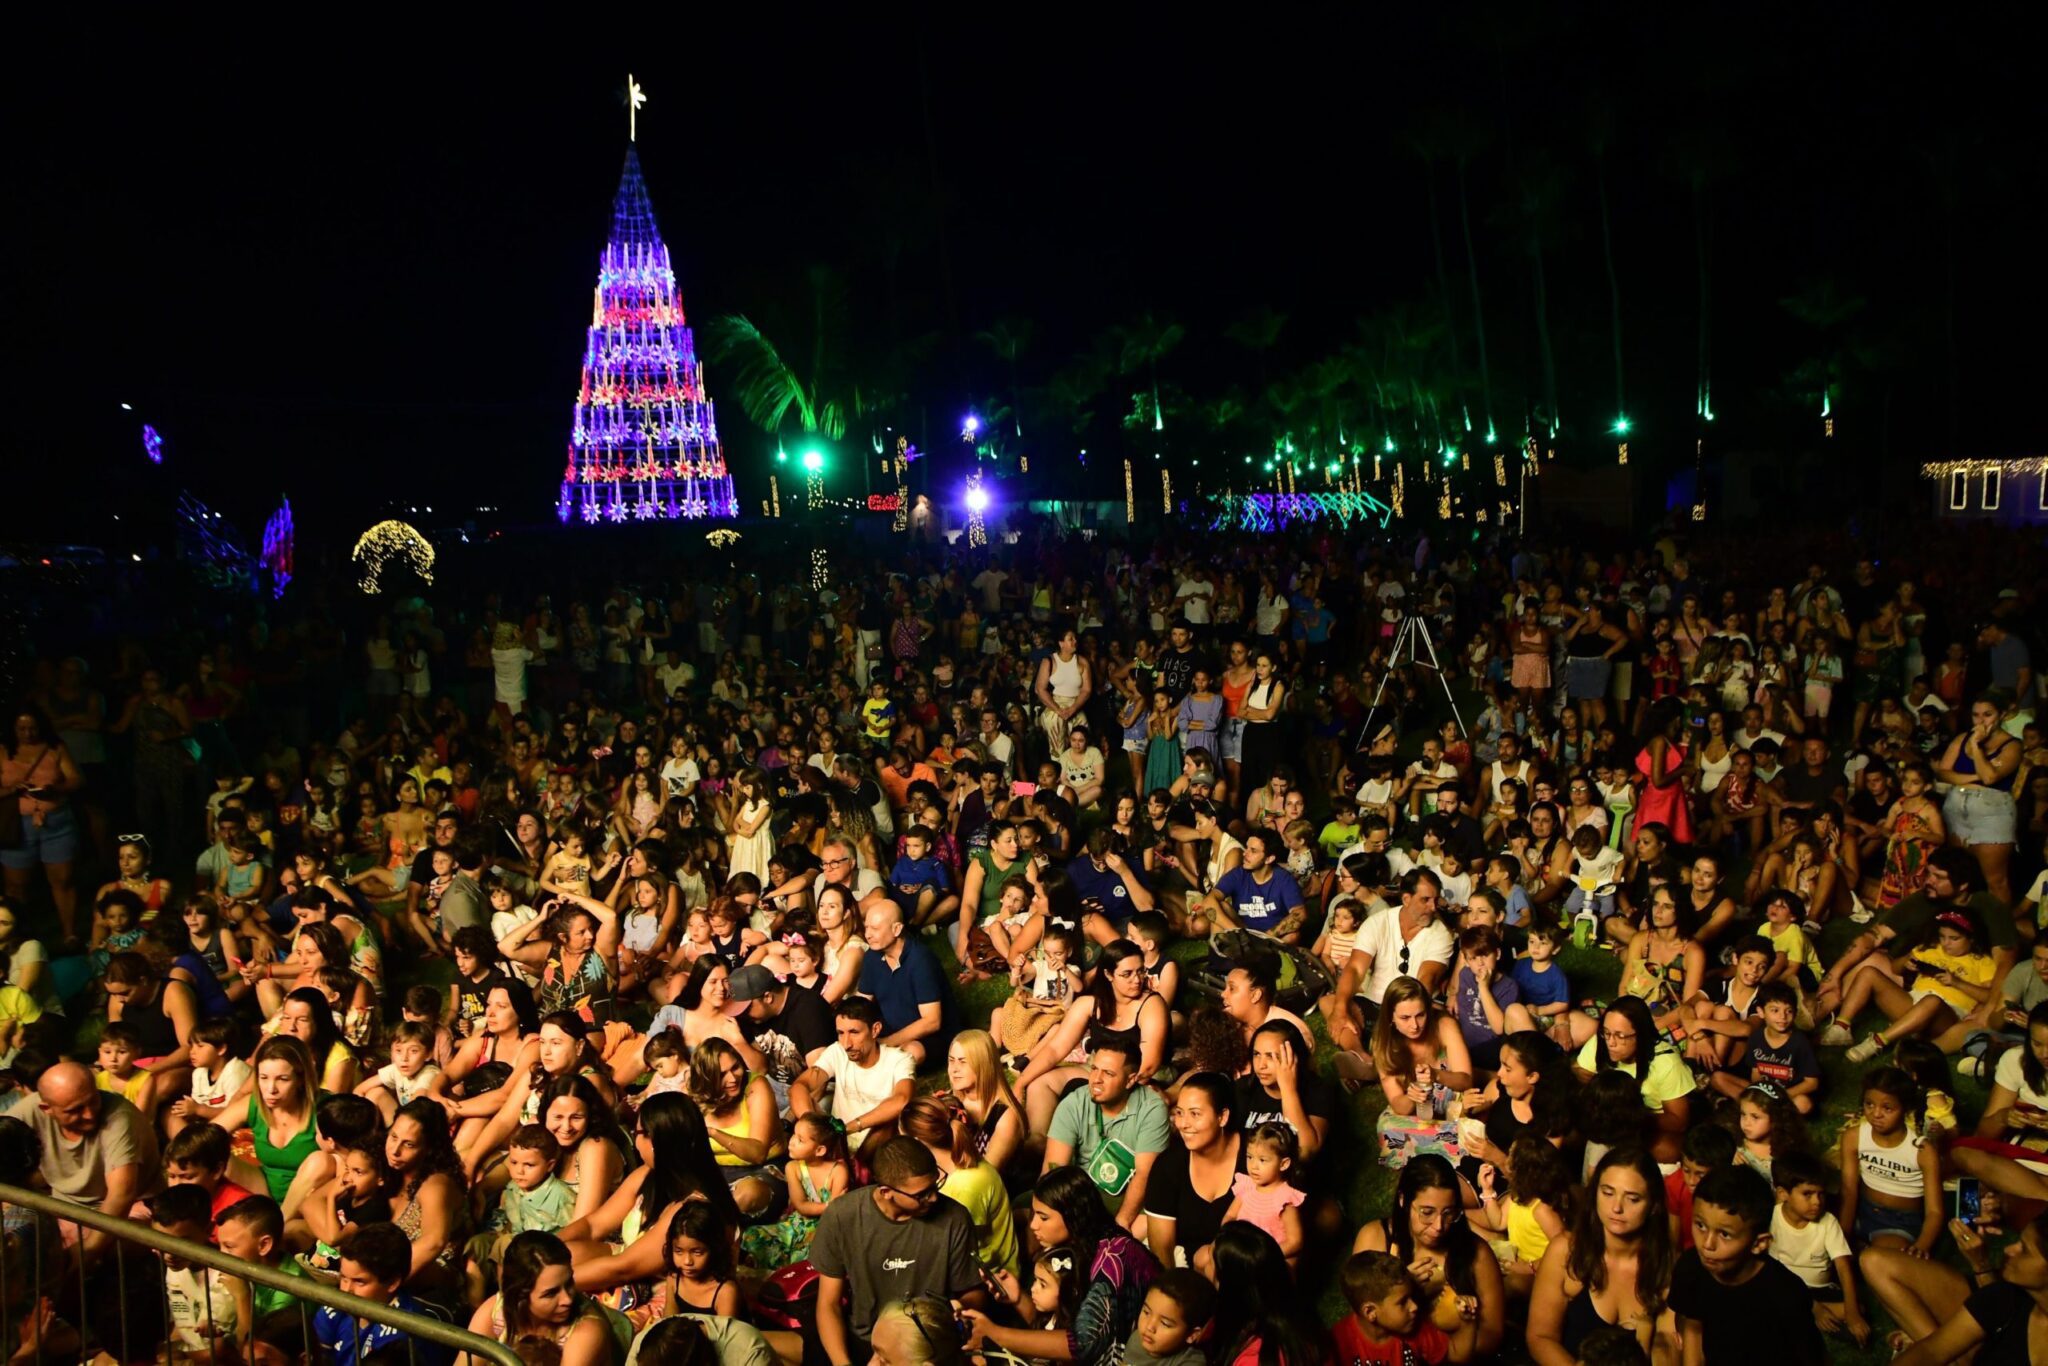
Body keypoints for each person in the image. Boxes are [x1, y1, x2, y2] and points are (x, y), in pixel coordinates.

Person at [960, 1164, 1157, 1366]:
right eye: (1034, 1215)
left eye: (1043, 1217)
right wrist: (1018, 1298)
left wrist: (995, 1334)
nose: (1033, 1225)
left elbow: (1082, 1344)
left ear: (1073, 1214)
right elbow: (1054, 1330)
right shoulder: (1076, 1247)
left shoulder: (1112, 1257)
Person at [812, 1136, 981, 1366]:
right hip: (866, 1339)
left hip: (923, 1347)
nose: (933, 1198)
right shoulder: (843, 1216)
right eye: (921, 1194)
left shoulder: (955, 1218)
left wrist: (962, 1310)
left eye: (935, 1185)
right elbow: (828, 1304)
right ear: (885, 1192)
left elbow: (971, 1292)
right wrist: (842, 1362)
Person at [1526, 1147, 1679, 1366]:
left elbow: (1668, 1343)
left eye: (1633, 1199)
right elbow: (1540, 1337)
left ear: (1653, 1205)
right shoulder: (1565, 1251)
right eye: (1607, 1193)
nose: (1616, 1207)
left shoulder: (1667, 1264)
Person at [1351, 1154, 1506, 1359]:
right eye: (1427, 1212)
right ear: (1403, 1200)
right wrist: (1403, 1289)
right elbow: (1361, 1325)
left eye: (1449, 1213)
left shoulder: (1476, 1254)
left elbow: (1491, 1336)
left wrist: (1448, 1342)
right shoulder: (1375, 1239)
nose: (1439, 1226)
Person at [1670, 1165, 1826, 1366]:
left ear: (1759, 1243)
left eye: (1724, 1234)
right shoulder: (1690, 1268)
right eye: (1700, 1225)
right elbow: (1693, 1326)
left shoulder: (1786, 1294)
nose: (1707, 1244)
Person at [1323, 868, 1456, 1067]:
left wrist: (1402, 1017)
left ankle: (1379, 1058)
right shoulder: (1378, 922)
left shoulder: (1441, 934)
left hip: (1413, 1008)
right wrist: (1341, 1008)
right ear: (1406, 899)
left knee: (1437, 1022)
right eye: (1425, 900)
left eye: (1436, 900)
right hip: (1375, 1002)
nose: (1433, 907)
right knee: (1330, 1002)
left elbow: (1426, 979)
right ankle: (1360, 1056)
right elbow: (1355, 969)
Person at [1043, 1038, 1171, 1229]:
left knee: (1151, 1220)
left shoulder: (1151, 1108)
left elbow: (1145, 1174)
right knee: (1031, 1210)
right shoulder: (1073, 1104)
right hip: (1081, 1192)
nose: (1096, 1079)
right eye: (1094, 1069)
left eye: (1108, 1073)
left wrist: (1121, 1224)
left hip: (1127, 1194)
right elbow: (1053, 1169)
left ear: (1130, 1080)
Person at [464, 1230, 632, 1366]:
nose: (567, 1299)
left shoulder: (586, 1334)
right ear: (520, 1296)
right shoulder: (496, 1310)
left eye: (569, 1283)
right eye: (551, 1293)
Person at [312, 1222, 455, 1366]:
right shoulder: (334, 1309)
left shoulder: (403, 1337)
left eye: (359, 1281)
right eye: (343, 1278)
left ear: (392, 1282)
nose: (347, 1290)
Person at [789, 996, 915, 1158]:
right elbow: (799, 1086)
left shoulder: (899, 1060)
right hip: (837, 1147)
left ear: (875, 1030)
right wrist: (814, 1127)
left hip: (879, 1150)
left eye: (854, 1032)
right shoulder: (837, 1051)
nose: (846, 1043)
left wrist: (848, 1128)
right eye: (840, 1033)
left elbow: (901, 1100)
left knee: (885, 1128)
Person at [1, 705, 86, 944]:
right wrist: (10, 789)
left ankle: (69, 933)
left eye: (32, 728)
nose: (27, 734)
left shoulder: (54, 748)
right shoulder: (3, 751)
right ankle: (16, 935)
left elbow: (76, 779)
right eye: (22, 729)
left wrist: (55, 789)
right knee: (16, 886)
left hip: (56, 822)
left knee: (63, 880)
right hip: (17, 826)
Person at [1334, 1249, 1482, 1365]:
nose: (1414, 1306)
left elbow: (1456, 1355)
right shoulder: (1338, 1342)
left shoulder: (1413, 1328)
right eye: (1403, 1302)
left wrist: (1467, 1321)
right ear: (1370, 1312)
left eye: (1411, 1297)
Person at [856, 899, 954, 1064]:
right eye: (866, 927)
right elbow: (860, 1004)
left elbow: (932, 1021)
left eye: (875, 929)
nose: (868, 935)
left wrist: (887, 1043)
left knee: (912, 1052)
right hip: (891, 1028)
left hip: (928, 1036)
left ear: (897, 929)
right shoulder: (871, 957)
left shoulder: (920, 959)